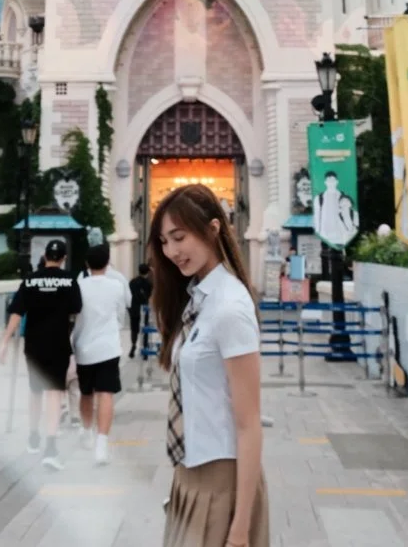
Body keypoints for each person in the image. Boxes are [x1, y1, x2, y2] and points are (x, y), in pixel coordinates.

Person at [149, 183, 269, 547]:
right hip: (189, 474)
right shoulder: (198, 299)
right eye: (164, 242)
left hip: (221, 481)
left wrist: (240, 527)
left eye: (179, 237)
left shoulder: (229, 307)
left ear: (213, 229)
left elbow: (249, 424)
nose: (171, 251)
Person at [0, 239, 81, 471]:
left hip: (34, 345)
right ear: (64, 258)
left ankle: (33, 437)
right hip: (58, 343)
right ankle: (50, 447)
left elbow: (16, 312)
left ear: (45, 256)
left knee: (35, 391)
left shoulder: (31, 280)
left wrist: (4, 341)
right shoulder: (69, 281)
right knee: (54, 393)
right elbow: (76, 308)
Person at [72, 243, 127, 464]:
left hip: (84, 346)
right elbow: (121, 314)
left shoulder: (79, 286)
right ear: (107, 262)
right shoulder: (116, 286)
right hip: (109, 347)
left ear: (87, 263)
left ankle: (87, 431)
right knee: (106, 393)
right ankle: (102, 444)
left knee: (86, 393)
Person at [128, 263, 152, 359]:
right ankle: (145, 350)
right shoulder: (149, 284)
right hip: (144, 309)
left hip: (134, 308)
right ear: (148, 272)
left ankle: (133, 346)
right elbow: (149, 296)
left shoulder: (132, 282)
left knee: (134, 329)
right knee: (145, 329)